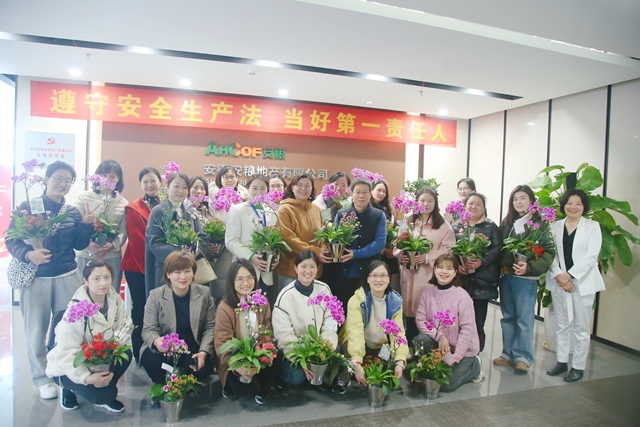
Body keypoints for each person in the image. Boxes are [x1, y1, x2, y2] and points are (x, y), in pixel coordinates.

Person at [6, 161, 95, 399]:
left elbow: (79, 244)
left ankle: (66, 372)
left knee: (69, 328)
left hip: (67, 276)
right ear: (47, 179)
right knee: (36, 330)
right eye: (58, 178)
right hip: (37, 278)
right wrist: (29, 255)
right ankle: (41, 378)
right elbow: (11, 239)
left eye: (68, 180)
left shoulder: (72, 212)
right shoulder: (28, 207)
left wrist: (86, 226)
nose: (62, 184)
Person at [46, 260, 132, 412]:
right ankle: (67, 387)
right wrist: (86, 377)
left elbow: (126, 325)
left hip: (102, 359)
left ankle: (105, 386)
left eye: (107, 277)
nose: (103, 283)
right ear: (86, 281)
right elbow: (66, 352)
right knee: (103, 396)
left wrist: (111, 348)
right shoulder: (76, 310)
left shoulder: (114, 299)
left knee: (125, 353)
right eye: (96, 279)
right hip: (71, 366)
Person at [494, 185, 554, 374]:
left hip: (525, 278)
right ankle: (507, 353)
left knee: (524, 318)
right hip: (506, 276)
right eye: (515, 199)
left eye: (522, 198)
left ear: (531, 201)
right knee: (508, 317)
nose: (518, 202)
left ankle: (523, 357)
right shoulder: (507, 222)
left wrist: (530, 266)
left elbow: (548, 252)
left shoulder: (540, 224)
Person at [545, 189, 604, 383]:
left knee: (581, 326)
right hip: (559, 282)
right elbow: (550, 254)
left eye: (578, 203)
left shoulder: (592, 227)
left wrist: (569, 276)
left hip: (582, 283)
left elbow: (591, 256)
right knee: (562, 324)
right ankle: (561, 361)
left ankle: (578, 366)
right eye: (569, 203)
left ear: (584, 206)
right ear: (563, 205)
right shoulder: (554, 226)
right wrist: (560, 276)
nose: (573, 207)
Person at [272, 250, 346, 393]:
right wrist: (302, 359)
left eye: (312, 266)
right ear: (296, 268)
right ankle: (282, 376)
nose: (308, 271)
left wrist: (324, 348)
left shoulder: (324, 289)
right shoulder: (286, 296)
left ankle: (320, 375)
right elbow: (284, 334)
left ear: (317, 269)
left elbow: (330, 320)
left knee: (337, 351)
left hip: (319, 345)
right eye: (303, 266)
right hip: (298, 349)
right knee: (296, 377)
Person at [140, 251, 215, 384]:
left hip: (192, 347)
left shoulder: (204, 293)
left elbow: (210, 327)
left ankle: (182, 380)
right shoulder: (156, 296)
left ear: (193, 273)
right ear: (168, 274)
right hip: (166, 349)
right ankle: (166, 384)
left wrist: (203, 352)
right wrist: (157, 341)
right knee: (152, 362)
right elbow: (148, 329)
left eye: (187, 271)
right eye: (177, 272)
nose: (183, 277)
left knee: (202, 368)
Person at [394, 186, 455, 343]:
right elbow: (397, 244)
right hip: (409, 273)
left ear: (435, 203)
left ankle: (425, 346)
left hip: (428, 275)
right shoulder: (408, 222)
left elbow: (449, 250)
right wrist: (401, 255)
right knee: (408, 310)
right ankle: (408, 345)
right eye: (422, 200)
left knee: (425, 311)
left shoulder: (443, 225)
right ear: (416, 202)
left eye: (430, 201)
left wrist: (428, 257)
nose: (426, 204)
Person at [415, 254, 484, 392]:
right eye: (440, 267)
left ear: (455, 272)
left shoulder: (462, 297)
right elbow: (421, 321)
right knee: (421, 339)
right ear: (434, 269)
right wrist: (440, 336)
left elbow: (467, 331)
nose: (444, 272)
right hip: (441, 344)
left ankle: (475, 366)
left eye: (449, 268)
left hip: (463, 349)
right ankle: (427, 366)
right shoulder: (428, 294)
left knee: (446, 384)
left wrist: (454, 357)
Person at [214, 259, 274, 405]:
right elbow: (222, 343)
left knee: (276, 356)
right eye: (240, 279)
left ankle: (262, 388)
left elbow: (267, 329)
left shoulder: (261, 302)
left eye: (249, 278)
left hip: (257, 355)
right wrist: (238, 365)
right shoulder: (225, 307)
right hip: (235, 359)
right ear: (232, 282)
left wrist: (264, 352)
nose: (245, 283)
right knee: (242, 391)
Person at [323, 178, 386, 311]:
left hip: (369, 271)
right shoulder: (341, 214)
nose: (361, 195)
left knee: (367, 310)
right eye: (357, 192)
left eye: (365, 192)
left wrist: (355, 254)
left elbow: (380, 243)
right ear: (351, 193)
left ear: (370, 194)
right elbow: (335, 238)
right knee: (344, 308)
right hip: (344, 271)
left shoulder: (379, 215)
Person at [121, 166, 163, 361]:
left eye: (153, 181)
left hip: (161, 266)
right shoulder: (134, 207)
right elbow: (137, 241)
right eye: (145, 182)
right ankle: (139, 351)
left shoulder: (167, 205)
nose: (150, 185)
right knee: (140, 308)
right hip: (138, 267)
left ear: (160, 182)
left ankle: (159, 350)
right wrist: (151, 269)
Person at [343, 261, 408, 386]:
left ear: (389, 278)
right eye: (374, 275)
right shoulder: (357, 300)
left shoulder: (395, 302)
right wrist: (357, 362)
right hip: (359, 344)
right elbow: (355, 332)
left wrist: (400, 361)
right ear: (367, 279)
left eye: (383, 275)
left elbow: (398, 333)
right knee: (350, 367)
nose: (379, 280)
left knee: (383, 379)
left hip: (381, 347)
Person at [454, 192, 503, 352]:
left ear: (484, 207)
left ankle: (475, 355)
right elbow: (450, 250)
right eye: (470, 203)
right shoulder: (457, 226)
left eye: (478, 204)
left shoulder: (491, 226)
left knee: (477, 322)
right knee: (459, 321)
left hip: (482, 283)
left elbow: (498, 249)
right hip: (461, 282)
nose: (473, 207)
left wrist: (482, 261)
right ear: (464, 206)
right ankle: (459, 353)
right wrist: (457, 265)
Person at [145, 172, 208, 297]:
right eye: (176, 186)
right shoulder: (158, 211)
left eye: (185, 187)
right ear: (168, 187)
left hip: (188, 269)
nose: (181, 191)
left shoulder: (191, 211)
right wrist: (179, 252)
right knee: (165, 301)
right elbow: (154, 241)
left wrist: (195, 250)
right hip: (165, 268)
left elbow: (201, 236)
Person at [73, 159, 128, 290]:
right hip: (86, 255)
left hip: (111, 257)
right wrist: (87, 245)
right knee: (83, 294)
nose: (107, 179)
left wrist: (112, 245)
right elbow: (75, 224)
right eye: (104, 175)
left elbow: (123, 231)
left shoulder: (123, 203)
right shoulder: (83, 197)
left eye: (112, 176)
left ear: (118, 179)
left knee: (110, 294)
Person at [225, 174, 279, 306]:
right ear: (248, 189)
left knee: (263, 310)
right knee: (242, 309)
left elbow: (276, 241)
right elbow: (231, 241)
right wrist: (251, 257)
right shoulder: (238, 210)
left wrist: (275, 258)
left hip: (266, 274)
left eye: (263, 188)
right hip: (244, 271)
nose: (258, 192)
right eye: (254, 188)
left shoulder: (272, 211)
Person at [274, 173, 324, 290]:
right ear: (292, 187)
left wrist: (324, 249)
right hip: (291, 270)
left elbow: (322, 234)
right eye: (299, 185)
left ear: (312, 189)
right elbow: (288, 239)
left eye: (307, 185)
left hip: (314, 269)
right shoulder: (285, 209)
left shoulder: (316, 209)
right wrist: (316, 252)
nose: (303, 188)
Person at [370, 179, 400, 293]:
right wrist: (383, 250)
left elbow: (394, 231)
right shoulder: (368, 211)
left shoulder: (387, 211)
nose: (381, 193)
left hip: (389, 256)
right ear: (371, 191)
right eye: (379, 190)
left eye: (384, 191)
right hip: (376, 255)